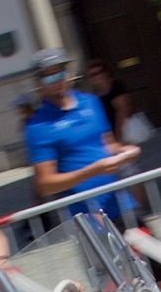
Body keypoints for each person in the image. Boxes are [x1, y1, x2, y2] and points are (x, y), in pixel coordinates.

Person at [23, 47, 150, 235]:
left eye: (62, 72)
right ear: (39, 84)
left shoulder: (91, 101)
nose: (58, 80)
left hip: (121, 202)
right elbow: (45, 183)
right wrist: (92, 171)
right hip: (88, 218)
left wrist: (125, 151)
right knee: (111, 264)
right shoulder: (37, 126)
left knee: (157, 260)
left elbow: (108, 144)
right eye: (49, 78)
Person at [85, 60, 137, 139]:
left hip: (123, 130)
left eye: (100, 72)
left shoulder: (116, 87)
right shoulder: (96, 94)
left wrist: (118, 134)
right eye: (92, 75)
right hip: (111, 132)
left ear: (106, 73)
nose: (97, 76)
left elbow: (122, 111)